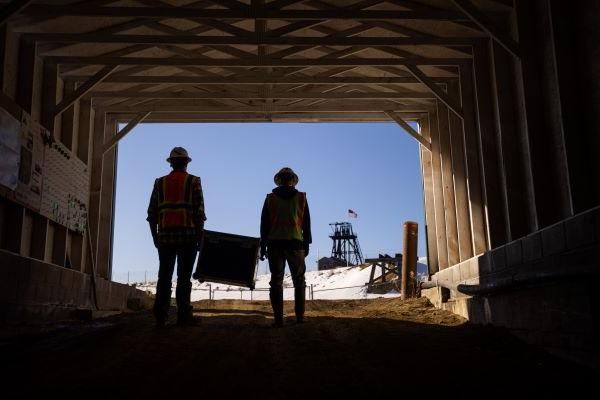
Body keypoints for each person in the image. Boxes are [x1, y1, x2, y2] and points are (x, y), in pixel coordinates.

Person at [147, 147, 206, 327]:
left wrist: (155, 238)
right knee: (183, 277)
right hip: (188, 237)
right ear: (186, 163)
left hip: (165, 237)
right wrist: (199, 238)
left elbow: (152, 214)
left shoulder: (160, 183)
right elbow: (199, 213)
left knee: (164, 277)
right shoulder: (193, 181)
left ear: (171, 163)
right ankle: (183, 316)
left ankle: (160, 317)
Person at [260, 167, 311, 327]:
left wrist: (263, 245)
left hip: (275, 244)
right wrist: (307, 243)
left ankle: (278, 319)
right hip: (296, 244)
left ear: (279, 180)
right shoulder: (301, 198)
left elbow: (264, 225)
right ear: (292, 181)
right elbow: (306, 223)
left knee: (276, 281)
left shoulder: (270, 198)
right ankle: (300, 317)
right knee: (299, 281)